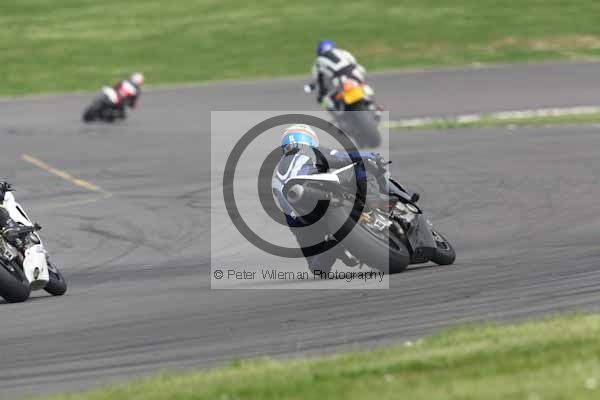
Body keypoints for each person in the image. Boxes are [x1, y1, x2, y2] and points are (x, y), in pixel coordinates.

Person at [272, 124, 384, 274]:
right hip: (316, 190)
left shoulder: (276, 178)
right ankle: (373, 201)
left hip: (301, 220)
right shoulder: (310, 151)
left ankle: (331, 247)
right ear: (310, 140)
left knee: (317, 268)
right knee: (363, 166)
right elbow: (344, 157)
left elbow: (287, 211)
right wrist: (372, 156)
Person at [311, 40, 368, 113]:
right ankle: (370, 101)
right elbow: (353, 61)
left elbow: (319, 80)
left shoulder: (317, 62)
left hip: (338, 79)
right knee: (362, 84)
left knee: (336, 99)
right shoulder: (341, 51)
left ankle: (344, 112)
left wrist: (321, 94)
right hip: (354, 72)